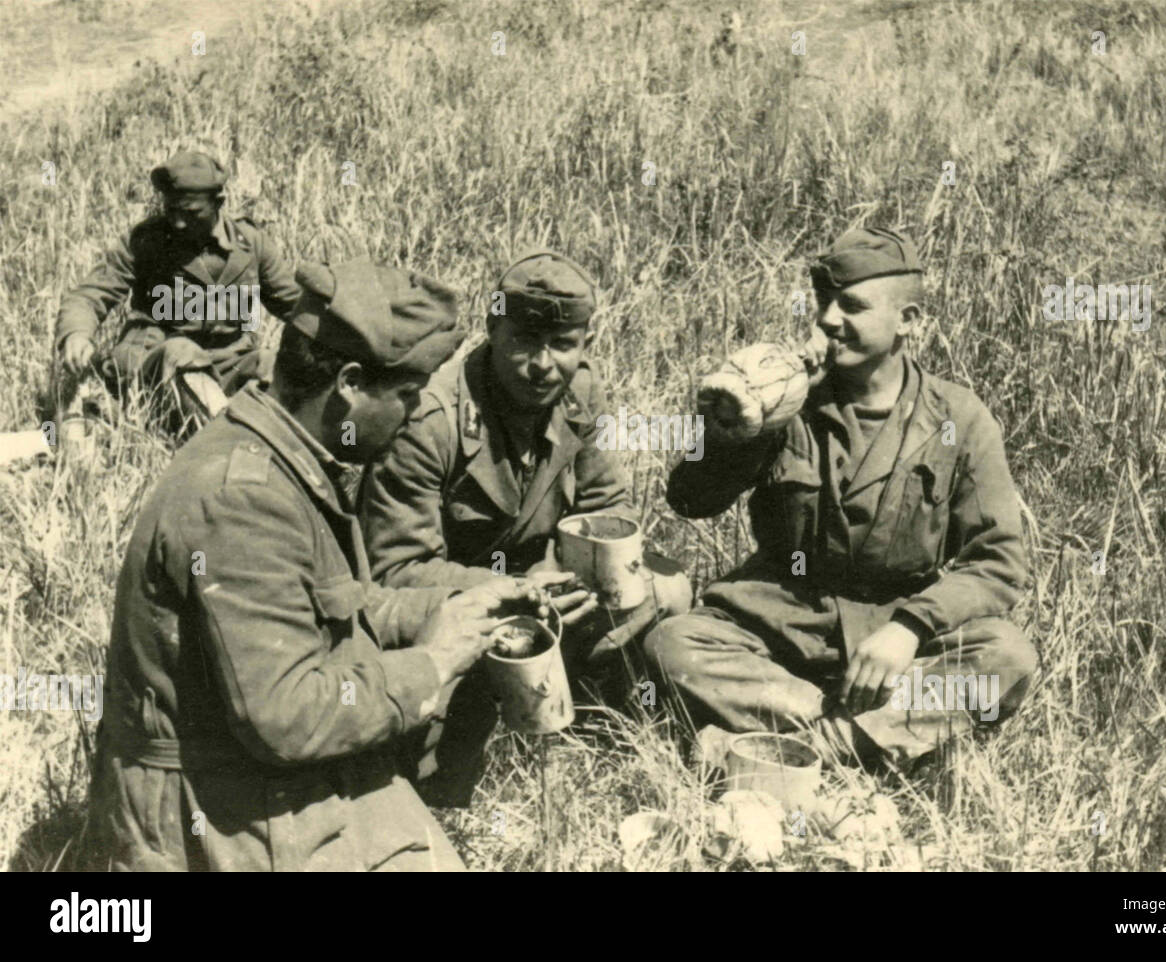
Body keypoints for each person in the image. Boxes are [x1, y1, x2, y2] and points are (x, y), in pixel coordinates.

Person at [86, 258, 546, 871]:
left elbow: (330, 605)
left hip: (250, 773)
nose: (414, 414)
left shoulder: (279, 449)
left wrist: (451, 607)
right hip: (205, 810)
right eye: (406, 395)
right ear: (350, 383)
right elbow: (283, 717)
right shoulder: (243, 500)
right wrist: (430, 666)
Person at [645, 227, 1037, 766]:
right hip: (782, 616)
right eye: (824, 302)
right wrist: (738, 427)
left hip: (896, 626)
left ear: (908, 321)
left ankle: (801, 748)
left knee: (1005, 656)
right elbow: (690, 500)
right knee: (673, 645)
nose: (828, 319)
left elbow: (998, 562)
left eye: (851, 305)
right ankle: (867, 738)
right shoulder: (788, 399)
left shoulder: (958, 418)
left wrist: (911, 628)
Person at [360, 250, 691, 805]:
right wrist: (515, 594)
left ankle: (594, 710)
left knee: (666, 586)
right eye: (523, 341)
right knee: (427, 781)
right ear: (492, 330)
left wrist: (568, 571)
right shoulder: (430, 419)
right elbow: (397, 570)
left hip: (550, 589)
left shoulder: (579, 390)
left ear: (584, 343)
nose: (543, 365)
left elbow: (608, 505)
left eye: (562, 345)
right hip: (462, 608)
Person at [55, 150, 300, 425]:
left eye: (191, 212)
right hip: (158, 369)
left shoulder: (252, 244)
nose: (178, 222)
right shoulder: (147, 242)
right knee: (182, 351)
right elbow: (89, 295)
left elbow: (296, 307)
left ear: (219, 203)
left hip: (227, 365)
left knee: (270, 364)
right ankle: (221, 437)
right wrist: (76, 334)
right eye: (171, 210)